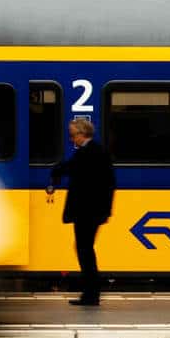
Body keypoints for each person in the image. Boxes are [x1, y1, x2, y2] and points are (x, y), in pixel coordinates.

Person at [49, 118, 115, 306]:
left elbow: (71, 167)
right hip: (91, 211)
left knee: (84, 250)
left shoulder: (89, 152)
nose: (72, 139)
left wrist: (55, 172)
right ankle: (90, 293)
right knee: (85, 249)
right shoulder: (94, 151)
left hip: (88, 212)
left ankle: (91, 295)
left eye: (73, 135)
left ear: (81, 133)